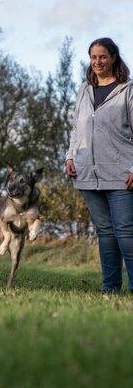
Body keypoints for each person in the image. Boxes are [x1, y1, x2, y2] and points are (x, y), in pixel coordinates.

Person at [65, 37, 133, 293]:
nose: (97, 62)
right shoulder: (84, 89)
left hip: (120, 173)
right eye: (93, 57)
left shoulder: (128, 90)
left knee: (126, 233)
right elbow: (76, 128)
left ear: (113, 57)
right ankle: (110, 288)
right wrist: (70, 156)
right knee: (105, 234)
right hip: (87, 173)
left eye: (102, 56)